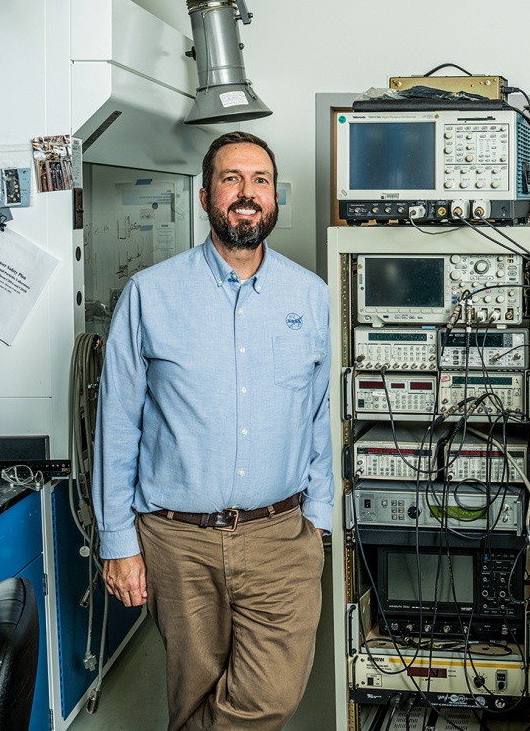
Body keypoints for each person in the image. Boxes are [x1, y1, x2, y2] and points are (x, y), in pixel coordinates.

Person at [93, 131, 332, 731]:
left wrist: (320, 520)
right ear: (205, 197)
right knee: (193, 694)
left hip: (281, 535)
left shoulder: (311, 295)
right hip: (179, 543)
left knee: (270, 695)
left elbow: (322, 414)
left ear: (275, 198)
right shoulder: (150, 294)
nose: (247, 194)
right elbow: (117, 422)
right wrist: (118, 541)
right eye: (232, 179)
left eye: (260, 181)